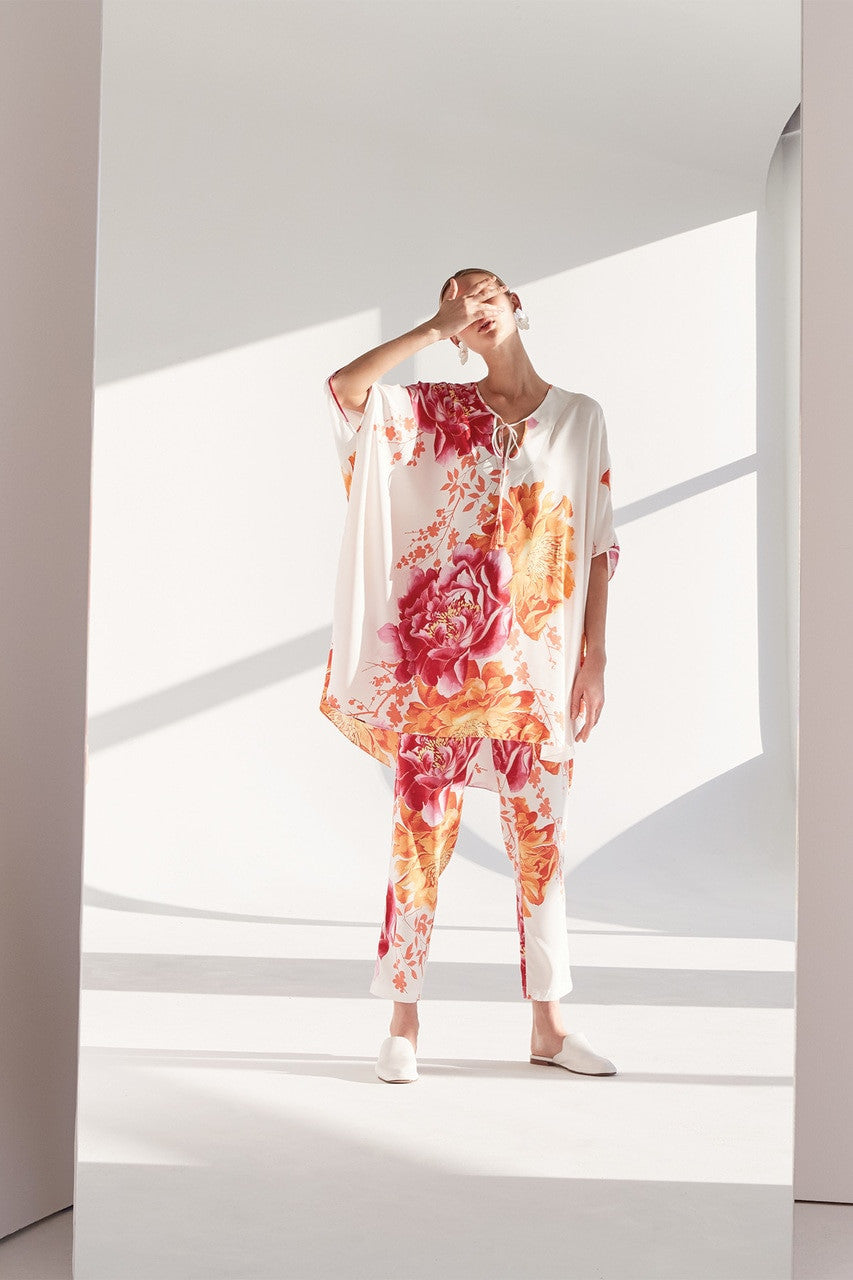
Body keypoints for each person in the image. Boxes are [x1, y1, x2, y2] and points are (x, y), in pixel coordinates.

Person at [319, 268, 620, 1084]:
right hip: (438, 674)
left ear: (515, 304)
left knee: (541, 846)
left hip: (536, 674)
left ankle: (549, 1029)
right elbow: (346, 390)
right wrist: (430, 328)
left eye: (484, 292)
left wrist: (593, 655)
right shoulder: (432, 412)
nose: (472, 307)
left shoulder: (580, 418)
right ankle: (403, 1022)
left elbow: (597, 542)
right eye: (456, 301)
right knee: (417, 844)